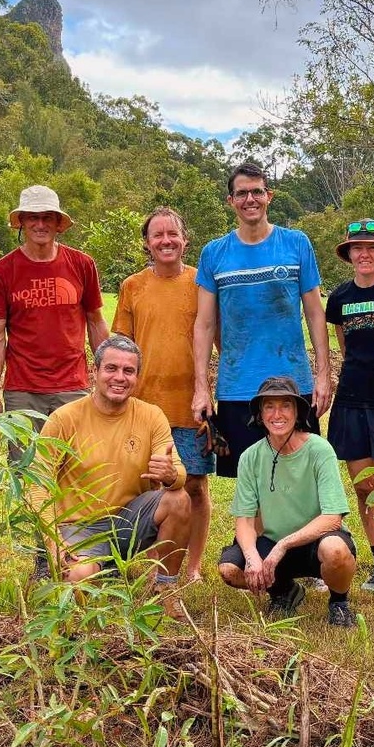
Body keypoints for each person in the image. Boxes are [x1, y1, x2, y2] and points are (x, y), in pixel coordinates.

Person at [0, 184, 109, 577]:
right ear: (21, 223)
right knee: (30, 473)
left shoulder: (81, 265)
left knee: (78, 470)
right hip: (23, 388)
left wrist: (104, 374)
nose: (40, 224)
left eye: (47, 218)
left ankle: (84, 551)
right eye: (32, 217)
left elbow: (94, 321)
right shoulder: (2, 271)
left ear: (58, 224)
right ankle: (43, 556)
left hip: (72, 384)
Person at [191, 162, 332, 481]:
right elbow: (204, 324)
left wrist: (324, 376)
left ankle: (302, 535)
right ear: (230, 201)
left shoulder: (296, 244)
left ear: (269, 196)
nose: (250, 199)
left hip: (293, 386)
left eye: (257, 191)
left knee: (300, 480)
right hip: (237, 389)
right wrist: (202, 388)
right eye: (241, 193)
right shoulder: (214, 253)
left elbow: (314, 312)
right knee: (249, 483)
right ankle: (251, 535)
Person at [37, 336, 193, 590]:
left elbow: (180, 474)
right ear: (94, 371)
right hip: (79, 526)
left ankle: (166, 588)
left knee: (179, 498)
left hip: (128, 520)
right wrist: (53, 540)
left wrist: (170, 474)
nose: (120, 377)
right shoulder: (64, 419)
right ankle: (101, 568)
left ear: (137, 377)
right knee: (77, 581)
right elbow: (38, 484)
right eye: (111, 368)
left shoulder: (151, 416)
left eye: (128, 371)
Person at [113, 207, 212, 581]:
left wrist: (210, 395)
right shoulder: (132, 287)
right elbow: (122, 345)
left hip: (191, 404)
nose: (166, 241)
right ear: (147, 243)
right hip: (144, 406)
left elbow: (217, 340)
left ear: (185, 240)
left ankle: (194, 566)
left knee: (195, 486)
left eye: (173, 234)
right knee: (150, 485)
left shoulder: (201, 283)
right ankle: (154, 562)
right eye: (158, 235)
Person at [217, 376, 358, 627]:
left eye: (285, 405)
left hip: (316, 541)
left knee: (335, 550)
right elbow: (245, 520)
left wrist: (283, 545)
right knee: (230, 569)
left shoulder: (319, 449)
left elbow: (333, 517)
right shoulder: (250, 457)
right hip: (271, 542)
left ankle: (339, 602)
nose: (277, 414)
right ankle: (284, 591)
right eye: (269, 406)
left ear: (297, 412)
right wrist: (251, 557)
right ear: (260, 414)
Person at [324, 218, 374, 598]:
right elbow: (345, 348)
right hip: (353, 398)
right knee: (364, 485)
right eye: (358, 248)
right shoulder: (339, 298)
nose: (364, 254)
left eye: (372, 248)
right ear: (349, 254)